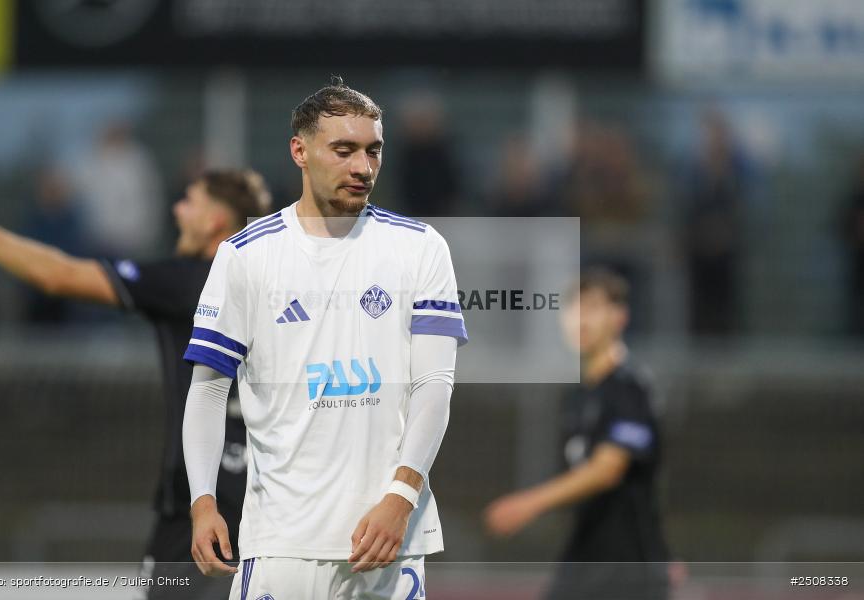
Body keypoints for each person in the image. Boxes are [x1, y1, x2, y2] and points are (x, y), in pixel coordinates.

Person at [182, 77, 467, 599]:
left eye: (373, 151)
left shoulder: (421, 248)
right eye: (344, 149)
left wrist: (400, 497)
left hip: (388, 539)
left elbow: (434, 384)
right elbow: (206, 391)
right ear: (300, 151)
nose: (363, 167)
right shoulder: (246, 255)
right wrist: (203, 502)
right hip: (281, 542)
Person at [0, 170, 271, 599]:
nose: (177, 210)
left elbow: (59, 275)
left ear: (215, 221)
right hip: (272, 497)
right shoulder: (273, 281)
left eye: (189, 201)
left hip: (200, 505)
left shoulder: (191, 278)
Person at [484, 268, 669, 600]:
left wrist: (529, 503)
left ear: (619, 317)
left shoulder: (628, 389)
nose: (581, 320)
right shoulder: (580, 396)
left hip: (627, 567)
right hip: (587, 558)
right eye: (574, 308)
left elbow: (608, 470)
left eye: (594, 308)